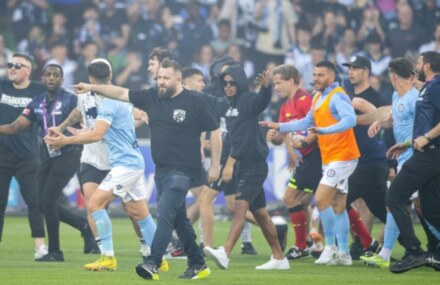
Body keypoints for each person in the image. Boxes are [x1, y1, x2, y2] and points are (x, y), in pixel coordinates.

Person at [67, 59, 221, 280]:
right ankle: (198, 264)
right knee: (179, 220)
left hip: (183, 171)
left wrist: (215, 164)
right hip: (162, 171)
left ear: (178, 79)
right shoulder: (151, 97)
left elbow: (215, 130)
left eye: (165, 78)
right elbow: (119, 92)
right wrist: (91, 87)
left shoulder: (195, 101)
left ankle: (153, 261)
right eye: (158, 77)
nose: (161, 82)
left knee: (164, 214)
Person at [44, 59, 166, 272]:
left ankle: (108, 257)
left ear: (92, 80)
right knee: (140, 213)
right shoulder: (120, 99)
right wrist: (81, 132)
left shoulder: (109, 103)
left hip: (124, 165)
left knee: (94, 204)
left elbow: (98, 134)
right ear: (110, 75)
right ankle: (160, 259)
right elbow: (100, 128)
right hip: (131, 161)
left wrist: (65, 140)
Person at [261, 61, 360, 266]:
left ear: (331, 77)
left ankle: (329, 248)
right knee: (338, 205)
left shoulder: (338, 95)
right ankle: (344, 254)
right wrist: (279, 125)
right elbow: (305, 122)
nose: (316, 78)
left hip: (343, 155)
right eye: (314, 74)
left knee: (321, 199)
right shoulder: (317, 97)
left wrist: (325, 130)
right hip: (330, 156)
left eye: (321, 75)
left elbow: (350, 120)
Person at [0, 63, 94, 262]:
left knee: (48, 200)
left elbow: (84, 118)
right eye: (48, 75)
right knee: (41, 203)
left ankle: (55, 252)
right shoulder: (36, 102)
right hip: (47, 156)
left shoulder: (71, 100)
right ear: (42, 78)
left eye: (55, 75)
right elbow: (16, 126)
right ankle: (83, 226)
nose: (51, 78)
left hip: (69, 153)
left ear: (61, 79)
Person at [204, 64, 290, 270]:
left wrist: (266, 88)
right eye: (224, 83)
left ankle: (225, 253)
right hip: (242, 165)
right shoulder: (226, 104)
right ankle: (279, 258)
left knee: (239, 208)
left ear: (240, 82)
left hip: (255, 165)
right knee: (260, 214)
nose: (228, 86)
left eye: (232, 82)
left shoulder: (249, 100)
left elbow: (262, 101)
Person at [358, 57, 419, 269]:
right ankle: (385, 254)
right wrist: (379, 123)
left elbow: (423, 128)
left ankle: (417, 251)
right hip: (403, 157)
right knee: (397, 204)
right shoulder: (397, 95)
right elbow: (395, 120)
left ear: (392, 75)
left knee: (414, 205)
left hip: (416, 157)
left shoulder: (415, 97)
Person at [384, 51, 440, 273]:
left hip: (430, 154)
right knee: (430, 208)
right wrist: (407, 144)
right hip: (426, 152)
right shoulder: (428, 87)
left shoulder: (435, 86)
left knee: (395, 196)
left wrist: (427, 138)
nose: (416, 67)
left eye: (419, 62)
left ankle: (414, 251)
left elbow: (429, 130)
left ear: (426, 66)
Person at [265, 64, 323, 260]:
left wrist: (304, 142)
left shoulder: (305, 100)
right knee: (312, 201)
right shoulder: (285, 106)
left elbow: (318, 125)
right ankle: (312, 243)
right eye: (274, 83)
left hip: (318, 156)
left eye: (278, 83)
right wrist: (273, 137)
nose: (276, 87)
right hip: (308, 158)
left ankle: (301, 245)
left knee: (292, 199)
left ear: (291, 81)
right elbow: (281, 137)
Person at [0, 53, 47, 259]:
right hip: (2, 155)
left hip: (28, 156)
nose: (12, 68)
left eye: (18, 65)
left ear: (28, 70)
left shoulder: (38, 90)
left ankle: (40, 247)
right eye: (10, 64)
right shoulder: (2, 86)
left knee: (34, 202)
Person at [342, 55, 388, 259]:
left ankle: (365, 243)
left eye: (356, 68)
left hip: (370, 157)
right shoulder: (347, 95)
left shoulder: (374, 97)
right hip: (352, 157)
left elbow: (384, 121)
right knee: (362, 203)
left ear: (366, 71)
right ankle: (364, 243)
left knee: (353, 201)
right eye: (349, 68)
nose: (350, 71)